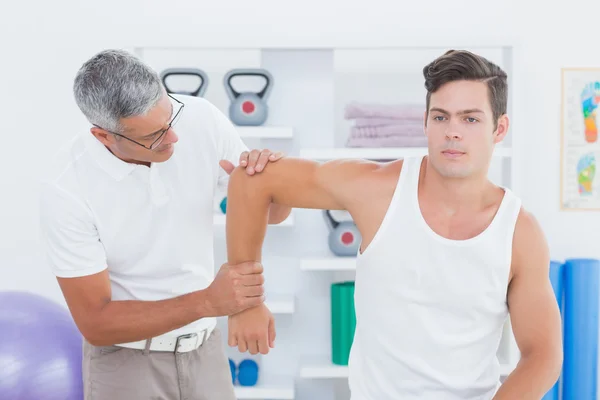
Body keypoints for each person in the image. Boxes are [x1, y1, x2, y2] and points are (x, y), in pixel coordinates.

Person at [223, 49, 563, 399]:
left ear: (499, 128)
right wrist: (246, 302)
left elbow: (543, 354)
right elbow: (253, 181)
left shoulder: (519, 232)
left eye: (470, 119)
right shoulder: (377, 190)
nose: (452, 132)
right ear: (426, 122)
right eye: (441, 117)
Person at [39, 49, 291, 400]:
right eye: (153, 135)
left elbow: (276, 214)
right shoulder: (67, 186)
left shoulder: (200, 118)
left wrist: (273, 185)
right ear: (105, 136)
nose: (173, 137)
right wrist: (208, 302)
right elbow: (96, 324)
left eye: (171, 117)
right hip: (125, 363)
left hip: (206, 351)